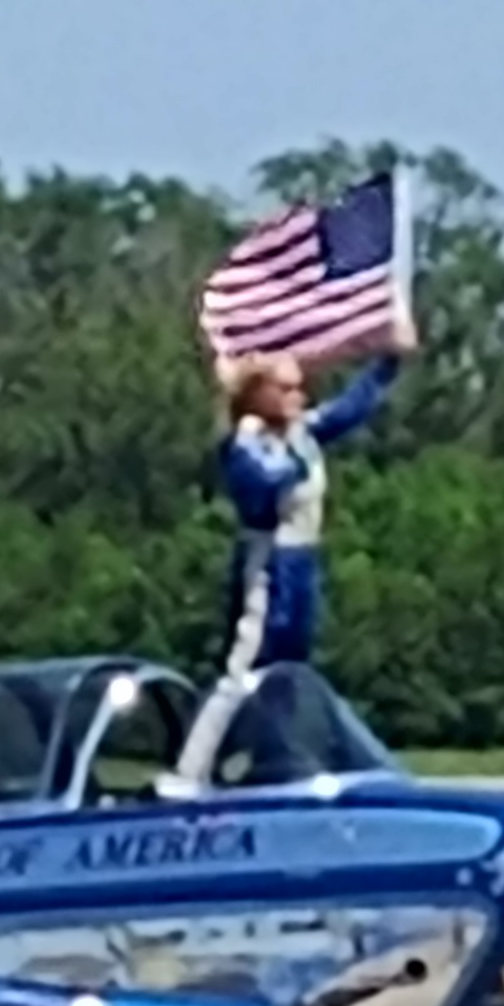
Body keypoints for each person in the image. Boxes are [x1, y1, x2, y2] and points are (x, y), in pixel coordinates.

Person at [169, 318, 415, 789]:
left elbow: (349, 409)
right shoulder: (247, 442)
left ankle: (274, 760)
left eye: (298, 388)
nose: (297, 397)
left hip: (303, 559)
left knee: (288, 671)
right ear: (259, 394)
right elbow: (264, 485)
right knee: (243, 669)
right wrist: (293, 449)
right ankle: (188, 772)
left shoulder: (300, 431)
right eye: (284, 389)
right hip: (270, 563)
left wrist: (388, 362)